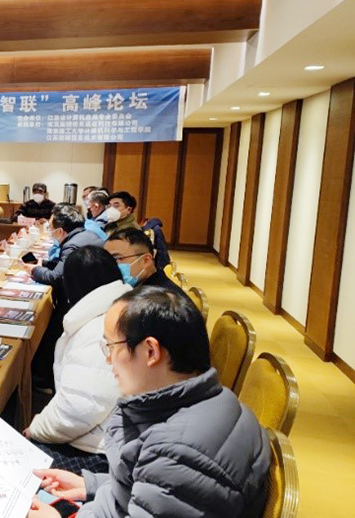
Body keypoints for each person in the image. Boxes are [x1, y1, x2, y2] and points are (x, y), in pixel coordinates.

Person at [29, 287, 269, 518]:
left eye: (111, 346)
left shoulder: (177, 453)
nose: (108, 359)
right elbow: (154, 491)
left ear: (150, 352)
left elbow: (167, 480)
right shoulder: (214, 399)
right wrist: (92, 485)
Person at [24, 247, 130, 475]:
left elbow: (79, 408)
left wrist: (36, 428)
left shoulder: (99, 328)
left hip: (102, 452)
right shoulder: (119, 308)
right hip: (108, 436)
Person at [29, 204, 105, 391]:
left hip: (79, 301)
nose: (50, 232)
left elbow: (56, 278)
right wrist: (45, 263)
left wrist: (34, 270)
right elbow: (66, 266)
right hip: (93, 294)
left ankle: (41, 379)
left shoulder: (71, 244)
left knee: (50, 330)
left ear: (60, 231)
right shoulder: (87, 235)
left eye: (51, 228)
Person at [104, 228, 186, 297]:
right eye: (107, 259)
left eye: (117, 259)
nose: (110, 265)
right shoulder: (136, 289)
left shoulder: (162, 299)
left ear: (146, 260)